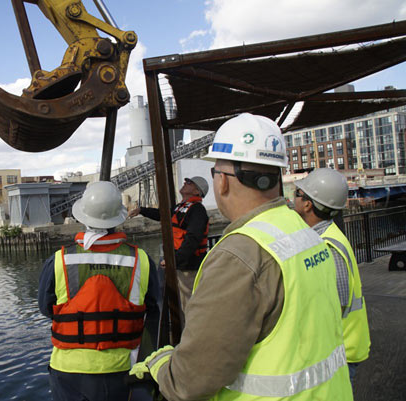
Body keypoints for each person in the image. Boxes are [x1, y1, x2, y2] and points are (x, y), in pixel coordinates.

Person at [129, 113, 353, 400]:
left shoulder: (239, 256)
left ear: (222, 182)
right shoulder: (304, 231)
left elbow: (189, 382)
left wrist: (160, 364)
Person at [38, 181, 160, 401]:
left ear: (83, 217)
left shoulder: (59, 260)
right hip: (123, 369)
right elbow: (154, 310)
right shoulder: (141, 260)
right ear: (118, 218)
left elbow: (46, 309)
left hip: (68, 372)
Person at [293, 168, 371, 386]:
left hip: (341, 351)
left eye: (297, 194)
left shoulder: (327, 246)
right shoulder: (326, 236)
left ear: (308, 204)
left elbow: (336, 305)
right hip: (339, 348)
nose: (293, 198)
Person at [128, 176, 209, 312]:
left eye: (189, 182)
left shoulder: (197, 210)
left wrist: (175, 260)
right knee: (167, 296)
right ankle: (171, 325)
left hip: (187, 267)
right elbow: (162, 214)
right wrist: (141, 210)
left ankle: (188, 331)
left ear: (197, 191)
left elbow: (193, 239)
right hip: (174, 262)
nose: (185, 183)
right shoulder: (181, 207)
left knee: (187, 304)